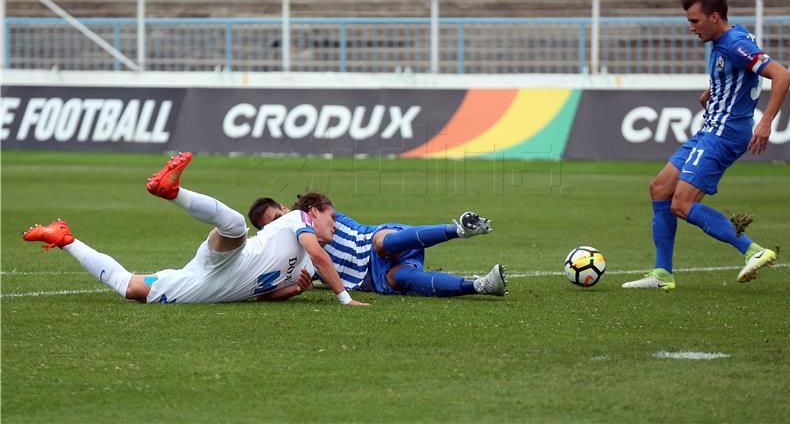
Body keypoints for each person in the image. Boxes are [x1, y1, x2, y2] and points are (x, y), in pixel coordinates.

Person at [22, 152, 368, 306]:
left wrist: (294, 291)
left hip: (209, 283)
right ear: (313, 211)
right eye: (332, 217)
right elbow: (321, 256)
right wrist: (344, 298)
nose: (334, 225)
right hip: (234, 258)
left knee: (129, 287)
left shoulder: (306, 267)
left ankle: (64, 237)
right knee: (234, 226)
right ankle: (170, 190)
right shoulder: (298, 221)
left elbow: (263, 295)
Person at [623, 0, 790, 290]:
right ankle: (662, 274)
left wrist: (765, 122)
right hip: (710, 127)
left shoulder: (735, 44)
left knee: (682, 204)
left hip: (725, 133)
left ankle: (754, 251)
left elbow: (782, 76)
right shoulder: (727, 39)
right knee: (660, 188)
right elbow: (740, 76)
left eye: (695, 20)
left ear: (715, 17)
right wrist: (714, 91)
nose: (691, 27)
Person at [249, 194, 508, 297]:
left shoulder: (310, 215)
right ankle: (480, 286)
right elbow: (275, 289)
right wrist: (297, 287)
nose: (277, 225)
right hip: (374, 277)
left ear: (284, 209)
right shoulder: (291, 253)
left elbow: (326, 233)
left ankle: (459, 230)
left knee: (383, 242)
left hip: (379, 243)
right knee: (402, 276)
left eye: (277, 217)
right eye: (269, 226)